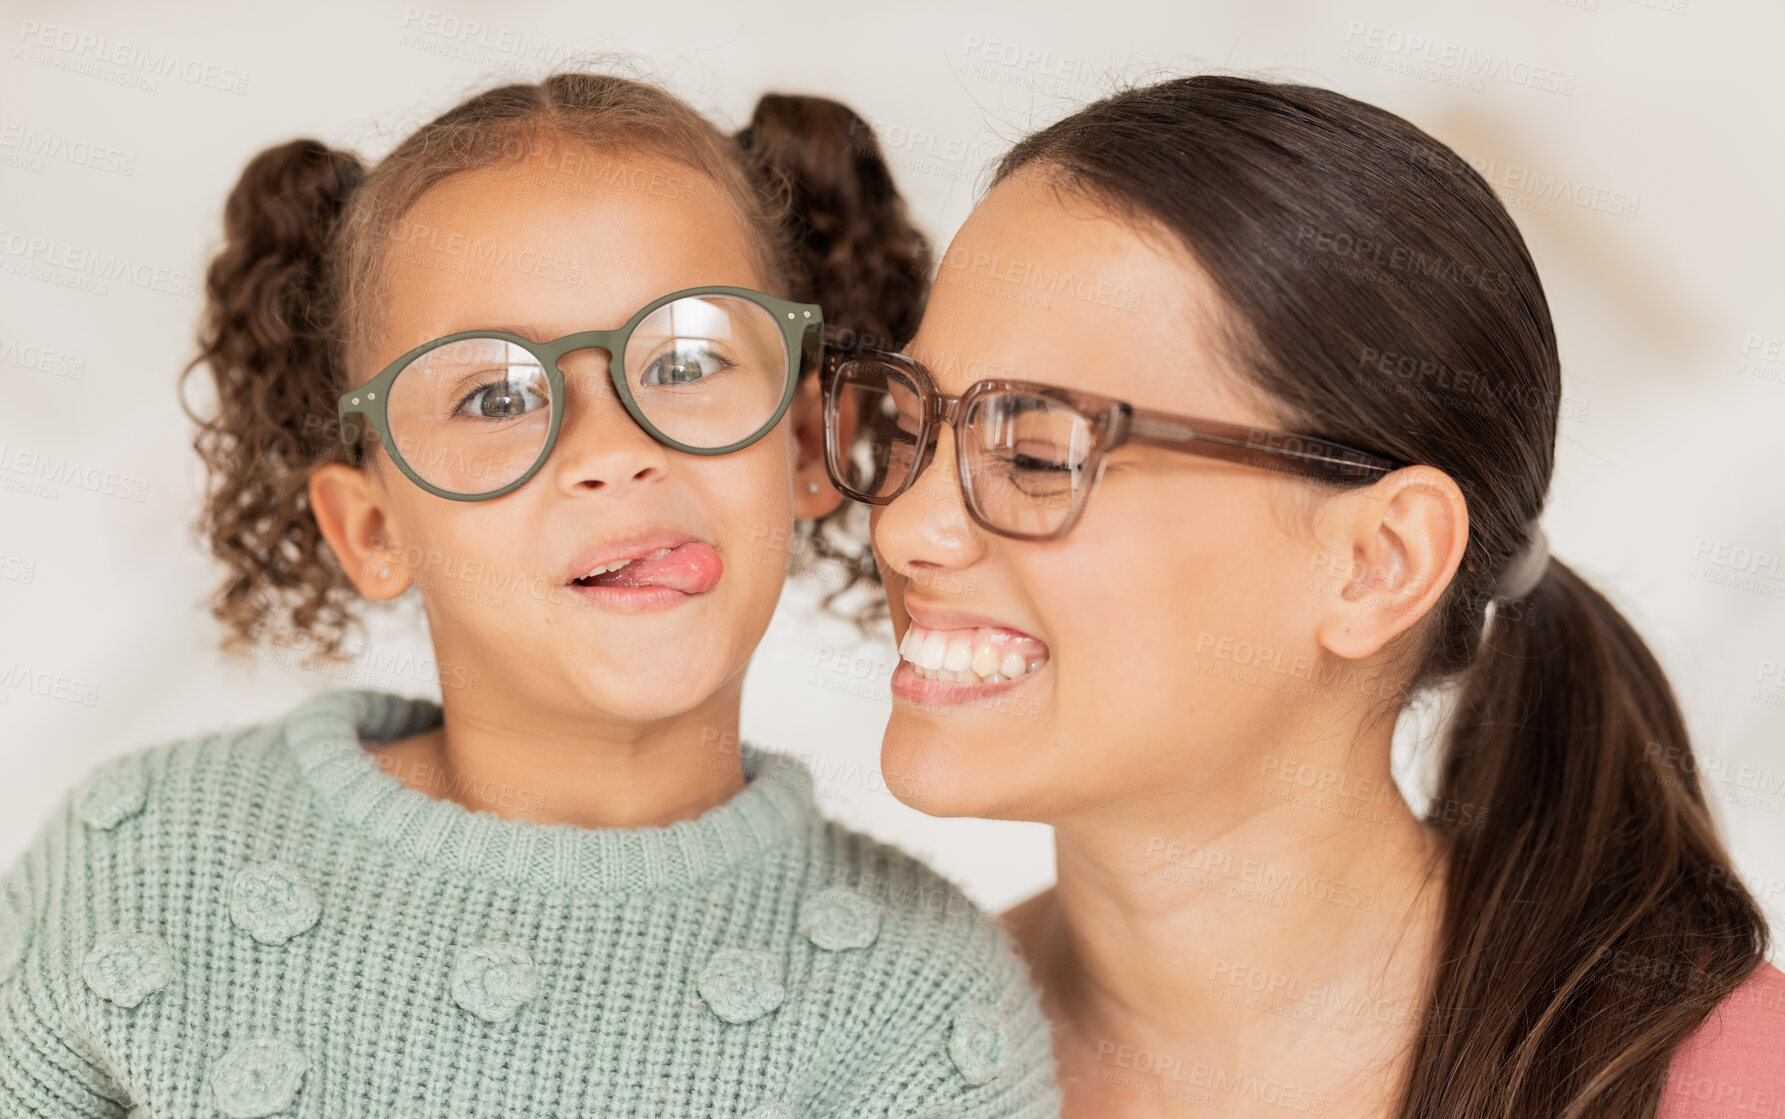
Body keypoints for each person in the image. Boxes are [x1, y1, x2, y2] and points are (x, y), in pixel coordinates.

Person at [0, 71, 1059, 1119]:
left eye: (687, 360)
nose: (613, 452)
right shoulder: (134, 864)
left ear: (802, 447)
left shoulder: (924, 1011)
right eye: (495, 394)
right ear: (372, 530)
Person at [822, 74, 1784, 1117]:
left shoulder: (1723, 1084)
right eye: (914, 426)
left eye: (1043, 455)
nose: (906, 527)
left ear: (1380, 561)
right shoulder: (855, 1068)